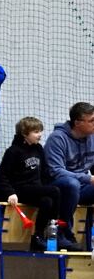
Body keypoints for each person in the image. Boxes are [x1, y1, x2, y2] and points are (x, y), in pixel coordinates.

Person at [0, 116, 60, 250]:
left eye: (40, 131)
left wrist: (44, 185)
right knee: (55, 191)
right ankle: (55, 223)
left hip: (36, 189)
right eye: (36, 132)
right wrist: (10, 193)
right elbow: (2, 175)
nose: (40, 135)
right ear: (25, 134)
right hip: (20, 189)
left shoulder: (39, 149)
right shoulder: (13, 151)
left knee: (47, 201)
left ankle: (37, 237)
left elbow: (44, 172)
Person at [42, 101, 94, 249]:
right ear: (77, 123)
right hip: (58, 187)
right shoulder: (57, 138)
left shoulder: (92, 137)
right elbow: (56, 171)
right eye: (91, 121)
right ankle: (62, 233)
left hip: (81, 187)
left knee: (76, 184)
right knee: (71, 184)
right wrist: (88, 178)